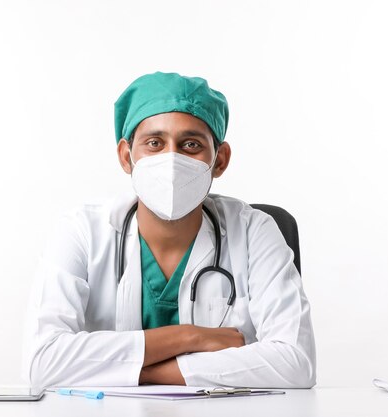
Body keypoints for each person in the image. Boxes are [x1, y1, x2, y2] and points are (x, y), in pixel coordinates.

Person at [21, 72, 316, 388]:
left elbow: (295, 363)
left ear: (220, 160)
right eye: (154, 143)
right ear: (126, 156)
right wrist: (189, 337)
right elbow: (43, 362)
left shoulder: (254, 230)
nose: (172, 159)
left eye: (191, 144)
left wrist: (134, 372)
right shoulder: (82, 231)